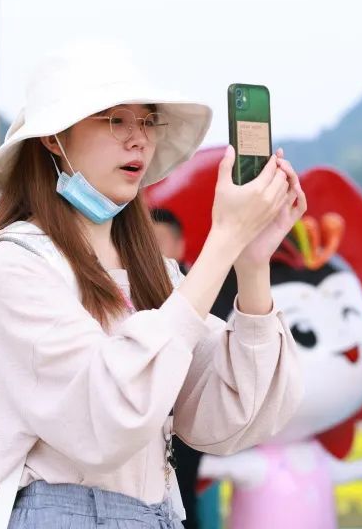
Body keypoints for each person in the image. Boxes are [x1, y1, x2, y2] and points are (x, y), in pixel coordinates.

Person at [0, 54, 306, 529]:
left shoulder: (154, 274)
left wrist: (252, 261)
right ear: (53, 138)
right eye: (115, 119)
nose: (138, 137)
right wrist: (223, 240)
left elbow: (229, 413)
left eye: (147, 120)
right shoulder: (17, 264)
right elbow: (106, 416)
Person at [149, 206, 202, 528]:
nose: (151, 249)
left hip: (183, 416)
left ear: (181, 246)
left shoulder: (196, 290)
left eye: (159, 241)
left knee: (184, 499)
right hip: (148, 413)